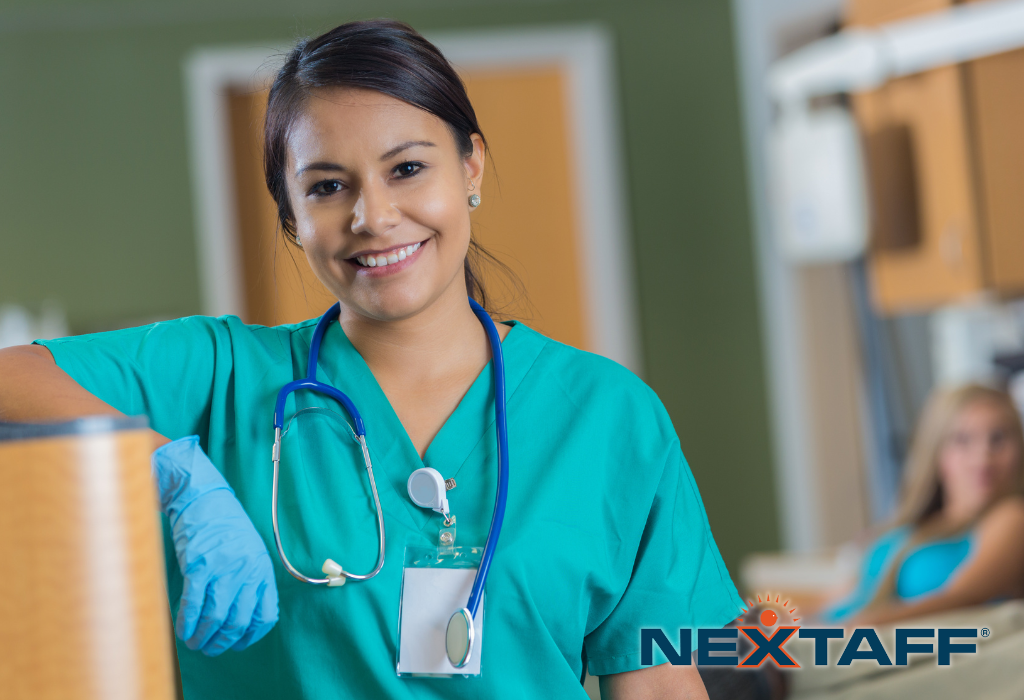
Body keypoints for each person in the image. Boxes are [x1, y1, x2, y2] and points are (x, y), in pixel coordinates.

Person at [0, 19, 742, 699]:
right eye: (327, 186)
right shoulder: (219, 376)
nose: (373, 216)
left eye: (407, 168)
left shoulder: (609, 416)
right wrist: (175, 474)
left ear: (471, 167)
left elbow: (657, 686)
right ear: (291, 216)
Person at [819, 383, 1024, 625]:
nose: (982, 457)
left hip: (870, 645)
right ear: (937, 451)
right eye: (962, 440)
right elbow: (845, 599)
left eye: (998, 439)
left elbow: (961, 599)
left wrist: (849, 630)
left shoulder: (1011, 518)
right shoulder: (911, 525)